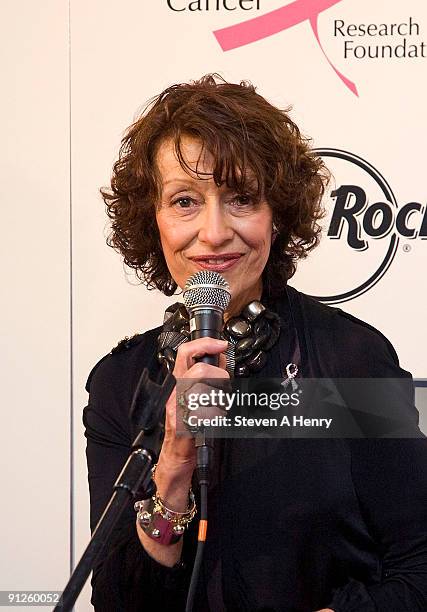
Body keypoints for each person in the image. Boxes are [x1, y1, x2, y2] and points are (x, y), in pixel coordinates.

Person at [83, 74, 427, 611]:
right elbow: (120, 600)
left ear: (277, 216)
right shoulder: (121, 384)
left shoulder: (349, 359)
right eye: (184, 201)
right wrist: (174, 458)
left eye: (241, 198)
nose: (215, 232)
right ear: (154, 222)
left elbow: (419, 567)